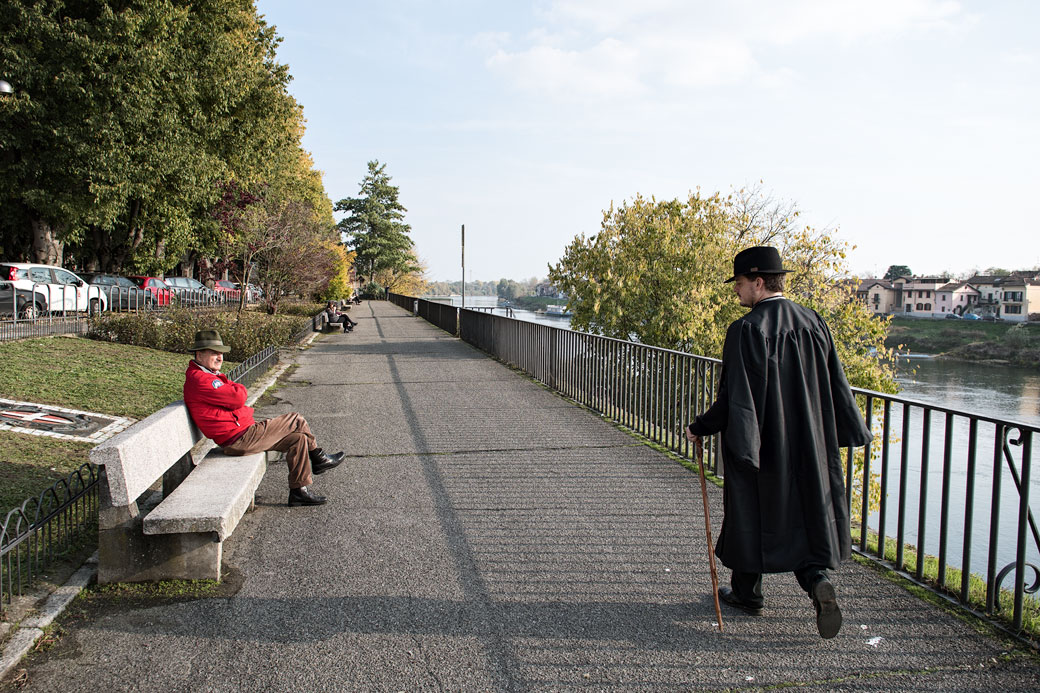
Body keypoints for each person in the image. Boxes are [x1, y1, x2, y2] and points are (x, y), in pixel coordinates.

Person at [684, 246, 872, 639]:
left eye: (738, 284)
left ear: (757, 281)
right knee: (801, 514)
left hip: (764, 442)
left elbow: (735, 399)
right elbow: (835, 381)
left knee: (751, 512)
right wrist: (843, 430)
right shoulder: (813, 321)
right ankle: (815, 579)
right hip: (810, 441)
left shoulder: (746, 329)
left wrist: (700, 427)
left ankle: (747, 593)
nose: (736, 292)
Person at [183, 329, 345, 507]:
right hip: (239, 438)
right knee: (296, 420)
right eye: (214, 353)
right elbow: (239, 398)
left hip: (241, 434)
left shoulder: (209, 375)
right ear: (199, 354)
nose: (220, 357)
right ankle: (319, 457)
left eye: (221, 353)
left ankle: (299, 492)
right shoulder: (201, 379)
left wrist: (237, 397)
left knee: (298, 439)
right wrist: (238, 395)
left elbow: (235, 399)